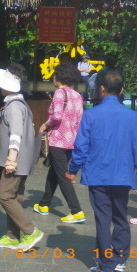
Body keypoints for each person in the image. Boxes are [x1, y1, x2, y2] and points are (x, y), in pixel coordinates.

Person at [65, 69, 137, 272]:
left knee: (103, 219)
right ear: (121, 90)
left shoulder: (91, 115)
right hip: (122, 175)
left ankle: (106, 266)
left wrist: (72, 170)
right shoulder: (133, 117)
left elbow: (81, 147)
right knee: (120, 216)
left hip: (98, 174)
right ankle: (119, 259)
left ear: (101, 89)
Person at [0, 67, 43, 250]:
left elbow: (15, 133)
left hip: (16, 160)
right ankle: (12, 236)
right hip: (23, 160)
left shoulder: (13, 106)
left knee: (5, 196)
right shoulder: (20, 104)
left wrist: (11, 158)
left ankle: (30, 231)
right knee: (15, 197)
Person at [34, 63, 86, 223]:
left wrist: (45, 124)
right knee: (55, 172)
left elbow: (56, 116)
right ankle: (44, 204)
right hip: (71, 141)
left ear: (59, 77)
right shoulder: (77, 96)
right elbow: (80, 119)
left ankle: (76, 211)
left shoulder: (58, 93)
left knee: (63, 175)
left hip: (58, 140)